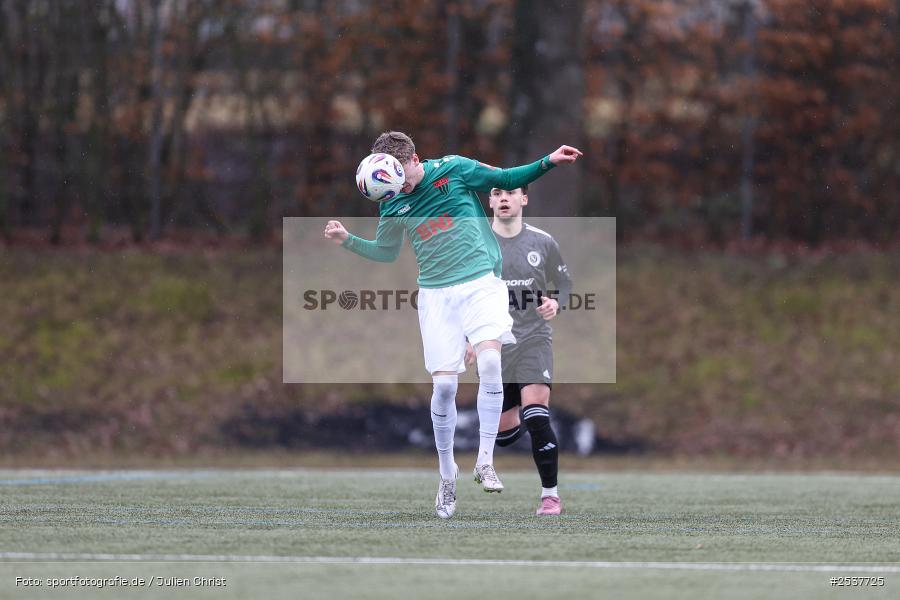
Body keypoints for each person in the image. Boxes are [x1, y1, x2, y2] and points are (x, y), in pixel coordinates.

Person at [324, 131, 582, 519]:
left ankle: (484, 461)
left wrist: (548, 161)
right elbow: (387, 252)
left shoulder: (454, 170)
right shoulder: (393, 201)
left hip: (481, 283)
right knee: (444, 388)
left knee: (491, 363)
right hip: (435, 297)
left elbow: (508, 179)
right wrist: (347, 240)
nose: (401, 187)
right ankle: (447, 477)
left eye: (404, 177)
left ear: (413, 159)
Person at [466, 185, 572, 516]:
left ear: (524, 199)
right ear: (490, 200)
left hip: (533, 339)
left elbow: (565, 284)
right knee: (504, 435)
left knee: (537, 413)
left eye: (511, 193)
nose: (503, 199)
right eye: (497, 193)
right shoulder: (477, 244)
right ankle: (524, 413)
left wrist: (557, 302)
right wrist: (467, 338)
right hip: (494, 342)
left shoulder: (543, 242)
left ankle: (550, 496)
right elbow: (463, 293)